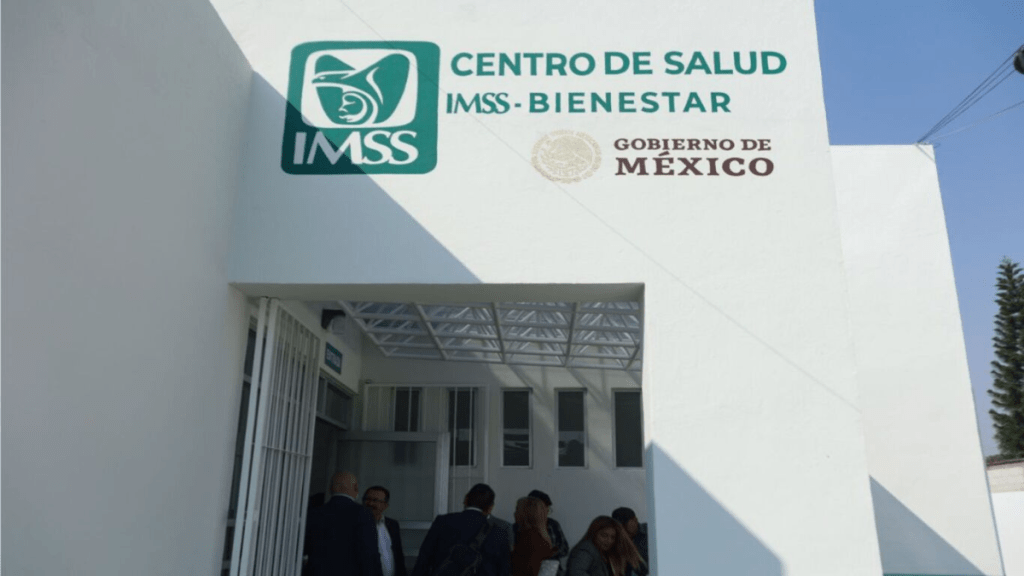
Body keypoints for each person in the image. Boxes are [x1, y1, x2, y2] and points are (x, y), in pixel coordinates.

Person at [412, 483, 511, 576]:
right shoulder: (499, 532)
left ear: (466, 499)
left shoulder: (442, 522)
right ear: (490, 507)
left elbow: (423, 560)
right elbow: (504, 570)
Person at [304, 471, 383, 576]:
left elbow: (305, 548)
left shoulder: (314, 513)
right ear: (356, 488)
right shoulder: (363, 514)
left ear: (331, 488)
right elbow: (369, 554)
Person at [512, 490, 568, 574]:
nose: (546, 512)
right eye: (543, 508)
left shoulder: (553, 524)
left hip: (552, 571)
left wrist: (551, 553)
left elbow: (564, 548)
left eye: (548, 509)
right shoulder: (518, 530)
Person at [566, 516, 643, 576]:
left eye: (612, 537)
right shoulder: (586, 550)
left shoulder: (602, 552)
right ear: (594, 533)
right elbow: (576, 573)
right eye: (604, 535)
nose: (609, 541)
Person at [364, 485, 408, 576]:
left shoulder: (392, 525)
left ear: (385, 505)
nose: (370, 503)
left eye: (375, 500)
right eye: (367, 499)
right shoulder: (356, 524)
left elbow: (398, 555)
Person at [511, 497, 555, 576]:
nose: (514, 513)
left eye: (517, 510)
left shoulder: (527, 538)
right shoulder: (541, 537)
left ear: (525, 514)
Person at [610, 509, 647, 576]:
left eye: (624, 524)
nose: (622, 530)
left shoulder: (651, 531)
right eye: (619, 526)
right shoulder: (615, 538)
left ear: (635, 520)